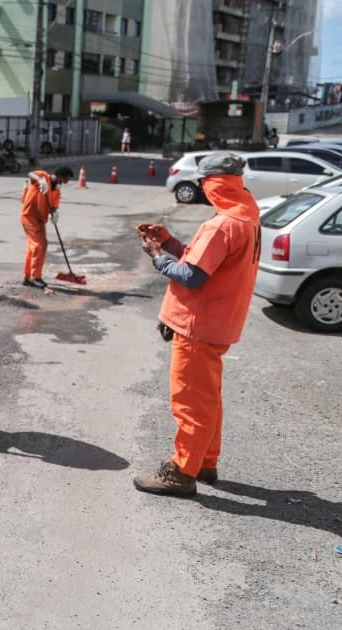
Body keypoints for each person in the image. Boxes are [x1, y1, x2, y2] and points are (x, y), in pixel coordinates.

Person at [133, 152, 260, 497]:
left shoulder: (222, 224)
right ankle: (205, 461)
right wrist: (171, 242)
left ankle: (182, 471)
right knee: (208, 398)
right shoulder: (246, 213)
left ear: (210, 184)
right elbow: (204, 259)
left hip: (198, 325)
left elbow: (190, 275)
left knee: (190, 401)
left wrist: (158, 256)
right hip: (218, 323)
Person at [19, 166, 73, 289]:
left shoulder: (57, 192)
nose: (62, 184)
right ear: (59, 175)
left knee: (33, 247)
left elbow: (53, 207)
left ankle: (27, 277)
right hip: (29, 216)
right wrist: (40, 180)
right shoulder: (43, 176)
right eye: (63, 180)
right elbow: (30, 172)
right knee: (40, 245)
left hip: (40, 220)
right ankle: (35, 277)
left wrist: (54, 214)